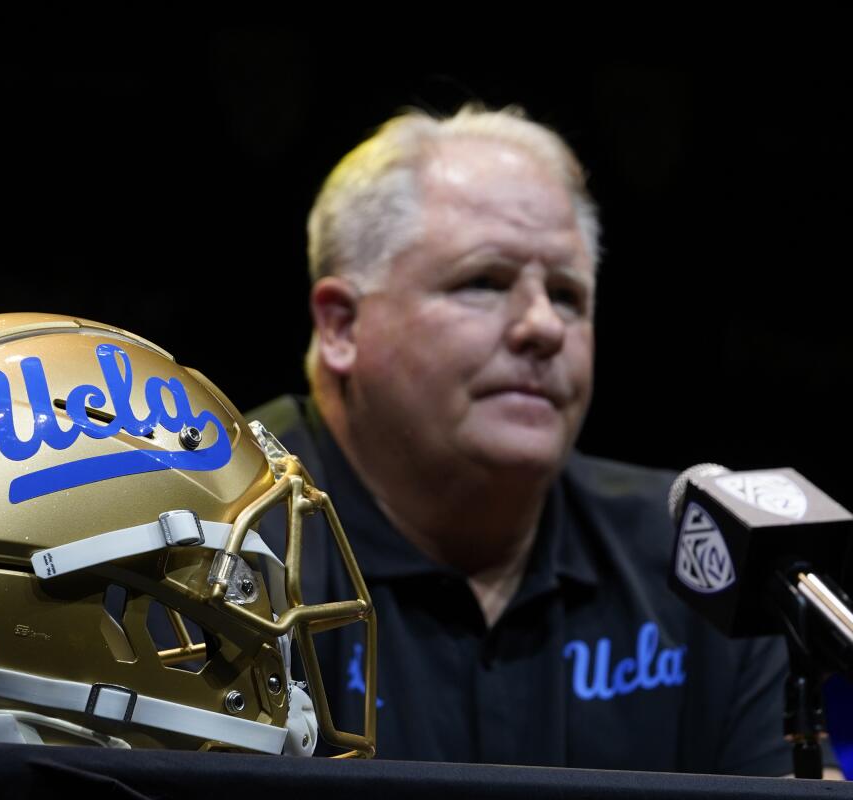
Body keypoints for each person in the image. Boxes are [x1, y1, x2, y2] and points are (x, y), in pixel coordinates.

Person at [249, 104, 839, 775]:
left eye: (566, 295)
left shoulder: (705, 564)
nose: (543, 326)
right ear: (341, 327)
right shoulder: (208, 539)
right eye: (484, 282)